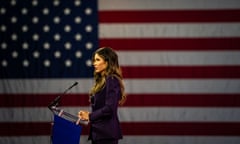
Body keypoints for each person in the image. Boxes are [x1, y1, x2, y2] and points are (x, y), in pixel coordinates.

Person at [78, 47, 127, 144]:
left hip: (106, 135)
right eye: (94, 60)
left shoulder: (112, 80)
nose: (94, 63)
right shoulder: (102, 81)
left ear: (107, 62)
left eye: (97, 60)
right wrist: (88, 115)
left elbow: (109, 108)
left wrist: (90, 116)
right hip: (98, 134)